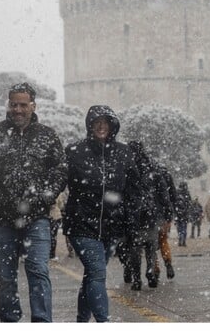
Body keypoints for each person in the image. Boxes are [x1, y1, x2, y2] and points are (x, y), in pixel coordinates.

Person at [0, 82, 68, 323]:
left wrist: (46, 195)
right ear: (8, 105)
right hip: (1, 220)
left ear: (33, 105)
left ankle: (42, 323)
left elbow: (61, 170)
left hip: (37, 218)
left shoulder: (47, 136)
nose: (18, 110)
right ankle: (10, 322)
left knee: (39, 271)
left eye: (23, 104)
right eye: (13, 104)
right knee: (5, 277)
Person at [62, 105, 141, 322]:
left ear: (112, 125)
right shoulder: (74, 151)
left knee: (91, 276)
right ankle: (103, 321)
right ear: (89, 125)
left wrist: (132, 219)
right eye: (97, 122)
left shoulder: (124, 152)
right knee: (97, 273)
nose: (101, 126)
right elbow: (59, 180)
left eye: (105, 122)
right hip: (82, 225)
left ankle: (81, 320)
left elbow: (133, 190)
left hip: (111, 227)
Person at [123, 140, 172, 290]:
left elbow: (119, 192)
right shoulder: (153, 168)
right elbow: (163, 192)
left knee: (134, 249)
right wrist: (167, 212)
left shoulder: (126, 168)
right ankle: (150, 272)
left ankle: (137, 279)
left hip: (133, 215)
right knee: (151, 247)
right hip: (150, 214)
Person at [154, 164, 177, 281]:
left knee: (151, 244)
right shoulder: (166, 175)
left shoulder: (147, 174)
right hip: (163, 214)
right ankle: (168, 263)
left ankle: (154, 269)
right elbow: (173, 195)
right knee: (163, 240)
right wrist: (170, 214)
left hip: (150, 214)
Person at [175, 181, 192, 247]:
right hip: (185, 214)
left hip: (178, 214)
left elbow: (174, 203)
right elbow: (189, 204)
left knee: (179, 228)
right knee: (184, 227)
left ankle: (180, 239)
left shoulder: (177, 193)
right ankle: (184, 241)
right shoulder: (187, 193)